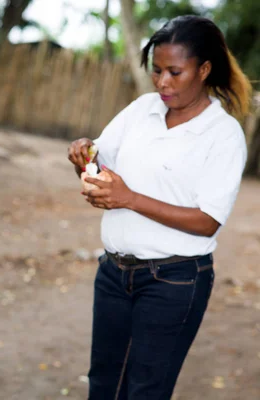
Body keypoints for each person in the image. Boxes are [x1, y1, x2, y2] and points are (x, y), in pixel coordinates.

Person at [67, 15, 251, 400]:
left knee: (145, 390)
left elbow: (207, 221)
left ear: (204, 69)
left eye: (174, 72)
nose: (162, 82)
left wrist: (128, 198)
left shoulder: (223, 134)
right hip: (114, 274)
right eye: (156, 71)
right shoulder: (142, 110)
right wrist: (84, 156)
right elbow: (101, 167)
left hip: (174, 282)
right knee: (103, 384)